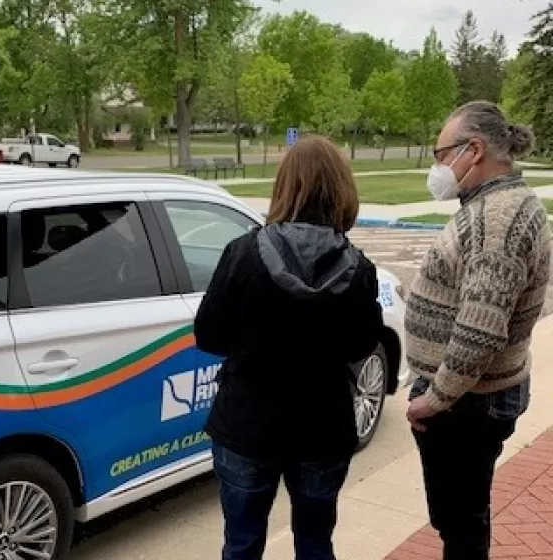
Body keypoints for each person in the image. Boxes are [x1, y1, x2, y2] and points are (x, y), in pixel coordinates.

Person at [194, 134, 385, 560]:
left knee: (241, 545)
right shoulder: (358, 268)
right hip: (322, 427)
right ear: (341, 190)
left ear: (284, 186)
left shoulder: (242, 253)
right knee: (316, 544)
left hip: (247, 424)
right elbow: (361, 346)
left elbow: (208, 335)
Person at [405, 101, 551, 559]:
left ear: (473, 150)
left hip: (468, 401)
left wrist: (436, 398)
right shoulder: (496, 205)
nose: (436, 166)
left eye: (440, 153)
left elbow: (481, 330)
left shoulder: (498, 220)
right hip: (473, 396)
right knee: (462, 515)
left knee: (462, 522)